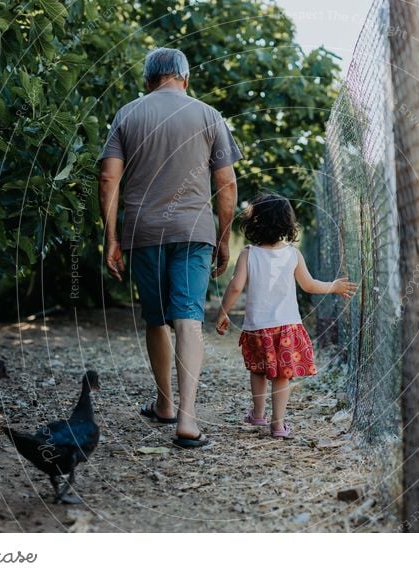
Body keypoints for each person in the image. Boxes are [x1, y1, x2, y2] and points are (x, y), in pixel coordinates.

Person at [97, 47, 242, 448]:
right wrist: (225, 236)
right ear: (185, 78)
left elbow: (109, 179)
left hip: (143, 232)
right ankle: (187, 420)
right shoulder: (209, 116)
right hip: (194, 231)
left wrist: (111, 238)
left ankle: (165, 403)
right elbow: (227, 184)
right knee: (189, 318)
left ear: (148, 81)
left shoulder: (128, 114)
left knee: (156, 318)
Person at [215, 194, 357, 438]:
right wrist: (333, 286)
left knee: (259, 369)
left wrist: (223, 312)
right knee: (283, 375)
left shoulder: (249, 254)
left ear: (254, 223)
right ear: (287, 224)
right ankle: (278, 424)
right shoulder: (292, 254)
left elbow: (236, 286)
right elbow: (309, 285)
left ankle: (258, 414)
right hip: (287, 326)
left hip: (258, 327)